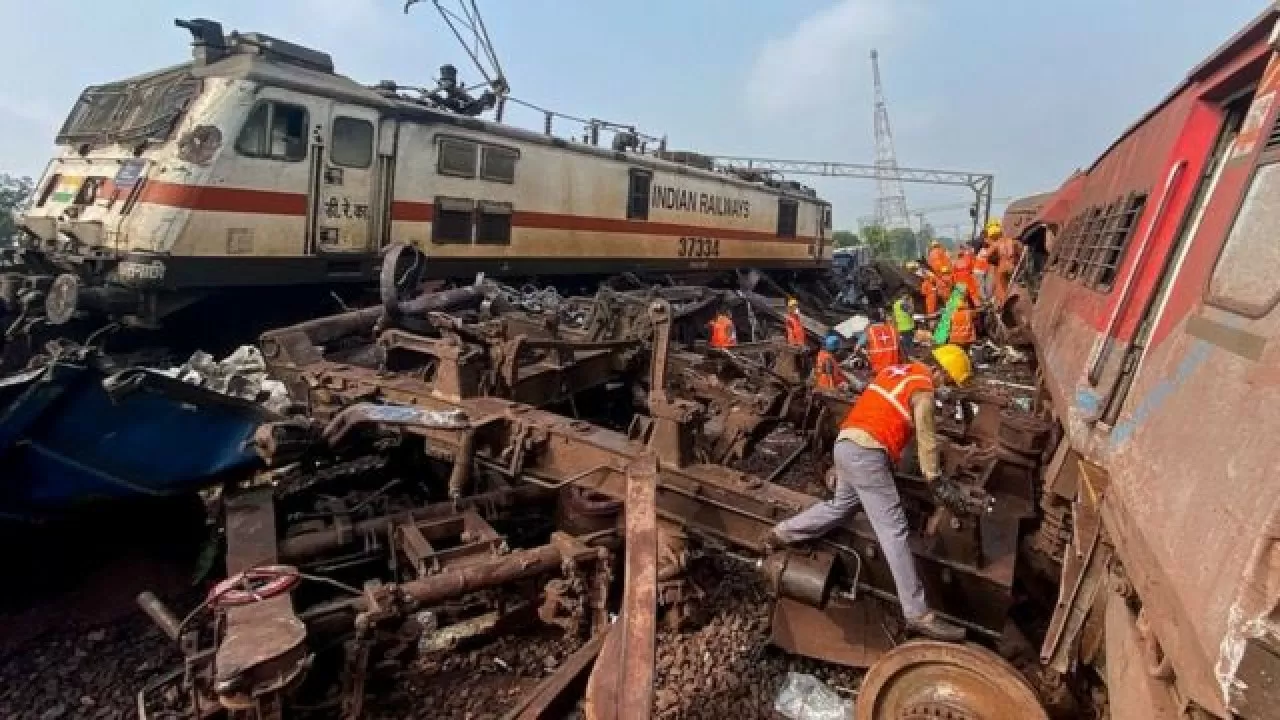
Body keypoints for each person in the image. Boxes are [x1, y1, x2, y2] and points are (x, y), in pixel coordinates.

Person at [762, 345, 977, 642]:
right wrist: (938, 483)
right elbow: (927, 446)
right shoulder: (923, 392)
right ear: (940, 371)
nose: (945, 390)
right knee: (895, 531)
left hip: (846, 444)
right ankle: (917, 614)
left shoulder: (893, 372)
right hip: (868, 455)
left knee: (840, 507)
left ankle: (782, 533)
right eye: (949, 383)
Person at [892, 291, 916, 358]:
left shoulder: (895, 304)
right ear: (903, 296)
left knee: (905, 342)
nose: (907, 297)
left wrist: (895, 326)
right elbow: (911, 312)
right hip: (907, 326)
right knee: (909, 342)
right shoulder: (903, 303)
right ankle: (911, 356)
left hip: (901, 326)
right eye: (906, 296)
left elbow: (894, 316)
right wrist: (911, 303)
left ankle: (907, 356)